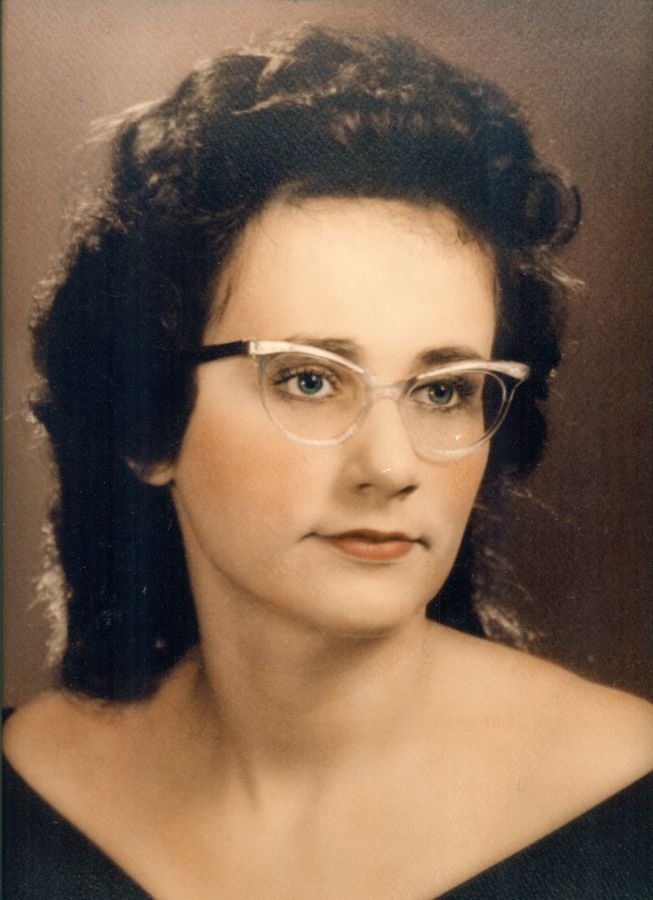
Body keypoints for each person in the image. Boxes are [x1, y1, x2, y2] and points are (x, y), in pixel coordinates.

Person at [4, 24, 651, 900]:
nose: (389, 466)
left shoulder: (626, 810)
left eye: (442, 390)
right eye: (309, 380)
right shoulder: (25, 798)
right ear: (145, 423)